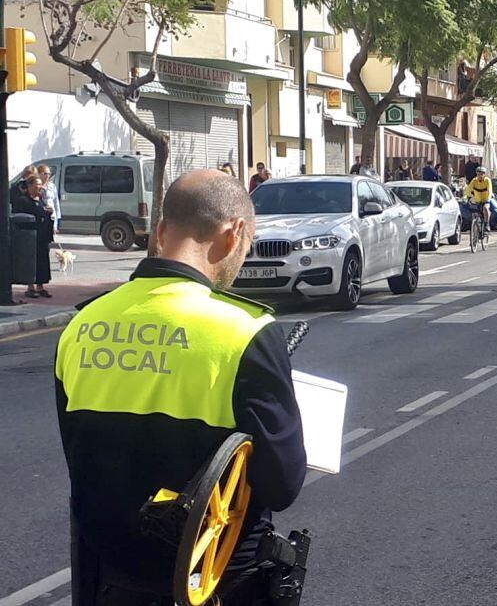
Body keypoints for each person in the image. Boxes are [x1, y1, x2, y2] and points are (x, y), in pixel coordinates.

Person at [55, 169, 306, 605]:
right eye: (246, 247)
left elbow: (80, 457)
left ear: (162, 231)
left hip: (113, 580)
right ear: (235, 233)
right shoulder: (244, 331)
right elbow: (281, 486)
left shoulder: (82, 324)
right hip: (216, 579)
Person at [13, 174, 53, 298]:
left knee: (42, 261)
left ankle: (41, 286)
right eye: (36, 186)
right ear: (29, 186)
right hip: (29, 236)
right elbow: (25, 216)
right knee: (31, 261)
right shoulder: (23, 200)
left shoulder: (40, 199)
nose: (38, 188)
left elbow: (43, 213)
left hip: (42, 235)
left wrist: (48, 212)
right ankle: (30, 287)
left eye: (40, 186)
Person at [464, 166, 493, 232]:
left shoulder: (487, 180)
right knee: (475, 213)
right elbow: (468, 189)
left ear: (484, 174)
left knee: (485, 208)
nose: (480, 176)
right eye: (478, 174)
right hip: (477, 200)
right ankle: (476, 229)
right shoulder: (474, 180)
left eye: (481, 174)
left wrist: (488, 199)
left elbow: (490, 191)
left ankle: (487, 224)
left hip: (486, 199)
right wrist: (467, 197)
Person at [38, 164, 60, 233]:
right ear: (39, 174)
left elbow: (56, 202)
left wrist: (57, 217)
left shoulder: (52, 186)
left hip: (52, 214)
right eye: (45, 173)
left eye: (49, 174)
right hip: (42, 214)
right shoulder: (37, 185)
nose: (47, 176)